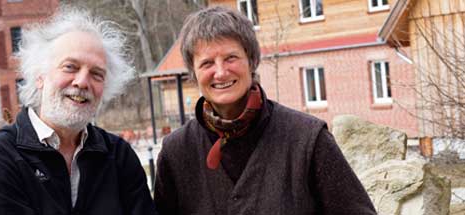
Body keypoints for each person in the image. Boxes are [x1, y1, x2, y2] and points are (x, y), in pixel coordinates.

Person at [153, 6, 376, 215]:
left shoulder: (307, 139)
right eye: (207, 63)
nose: (220, 72)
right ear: (194, 74)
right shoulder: (176, 153)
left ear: (251, 61)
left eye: (231, 58)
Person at [0, 6, 157, 215]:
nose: (82, 82)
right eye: (70, 67)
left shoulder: (119, 156)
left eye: (96, 74)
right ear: (39, 76)